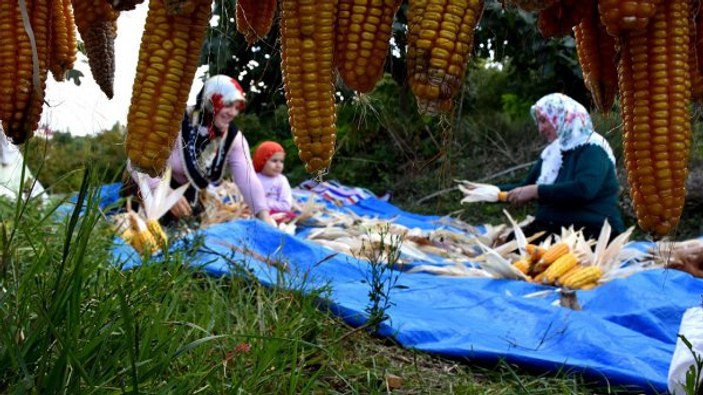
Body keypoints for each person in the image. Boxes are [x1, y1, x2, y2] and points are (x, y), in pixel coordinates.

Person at [127, 75, 275, 226]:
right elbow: (136, 162)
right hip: (147, 188)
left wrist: (264, 217)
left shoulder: (233, 138)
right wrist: (164, 192)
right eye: (228, 104)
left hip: (186, 195)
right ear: (210, 100)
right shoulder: (174, 120)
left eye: (237, 108)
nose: (233, 113)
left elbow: (248, 179)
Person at [498, 92, 625, 241]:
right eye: (538, 122)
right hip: (554, 225)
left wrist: (537, 191)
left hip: (592, 228)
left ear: (563, 118)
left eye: (544, 120)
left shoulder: (593, 148)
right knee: (514, 242)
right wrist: (488, 191)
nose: (540, 129)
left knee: (534, 252)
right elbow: (525, 187)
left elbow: (585, 189)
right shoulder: (552, 152)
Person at [253, 140, 295, 223]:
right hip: (255, 211)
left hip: (274, 212)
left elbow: (286, 205)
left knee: (288, 216)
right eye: (274, 161)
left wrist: (265, 203)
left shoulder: (281, 180)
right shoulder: (254, 178)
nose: (278, 165)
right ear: (262, 161)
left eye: (281, 161)